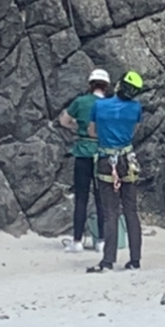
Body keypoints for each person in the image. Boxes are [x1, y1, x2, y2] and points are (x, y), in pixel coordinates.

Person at [86, 71, 144, 273]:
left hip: (106, 159)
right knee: (131, 211)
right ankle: (135, 260)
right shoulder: (136, 108)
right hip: (127, 160)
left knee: (110, 212)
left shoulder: (99, 106)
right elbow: (134, 130)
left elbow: (91, 131)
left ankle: (108, 260)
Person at [59, 69, 110, 253]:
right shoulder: (110, 104)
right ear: (106, 86)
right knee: (102, 198)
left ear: (90, 84)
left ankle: (77, 241)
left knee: (81, 198)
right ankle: (101, 241)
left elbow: (64, 121)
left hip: (82, 152)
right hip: (102, 153)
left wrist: (77, 126)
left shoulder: (80, 102)